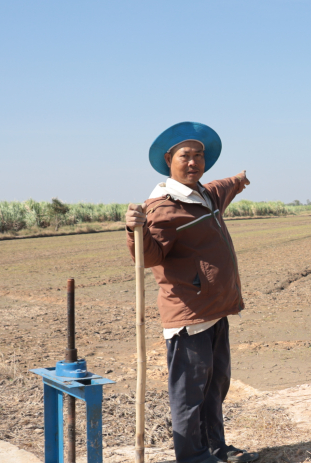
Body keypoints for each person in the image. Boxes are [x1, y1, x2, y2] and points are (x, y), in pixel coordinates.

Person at [125, 122, 258, 463]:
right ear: (169, 159)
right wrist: (134, 229)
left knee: (216, 386)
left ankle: (215, 449)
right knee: (189, 394)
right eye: (185, 156)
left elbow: (224, 185)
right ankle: (192, 457)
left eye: (199, 155)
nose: (193, 162)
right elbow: (150, 256)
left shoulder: (205, 194)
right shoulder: (162, 208)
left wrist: (240, 179)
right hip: (189, 317)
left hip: (216, 311)